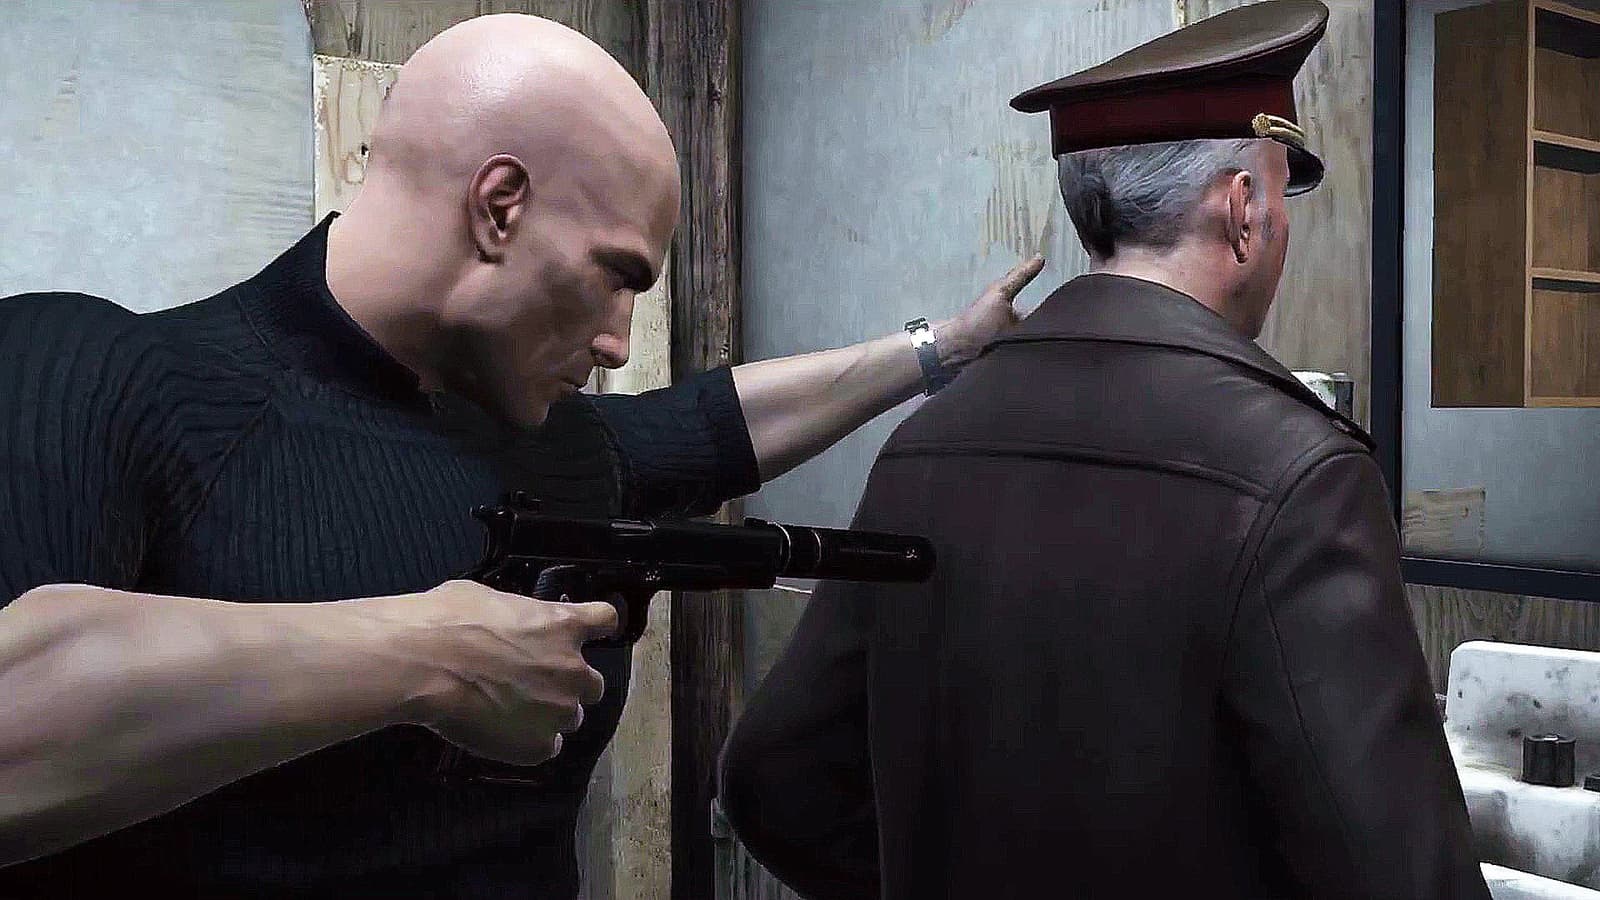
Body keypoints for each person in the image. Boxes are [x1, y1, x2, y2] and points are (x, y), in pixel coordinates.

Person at [0, 14, 1043, 898]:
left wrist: (942, 350)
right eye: (615, 277)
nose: (620, 341)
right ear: (500, 206)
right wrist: (425, 655)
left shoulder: (554, 444)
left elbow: (715, 425)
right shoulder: (100, 371)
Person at [718, 2, 1492, 898]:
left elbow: (772, 779)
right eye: (1281, 195)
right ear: (1243, 212)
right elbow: (1400, 876)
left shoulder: (926, 444)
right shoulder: (1299, 474)